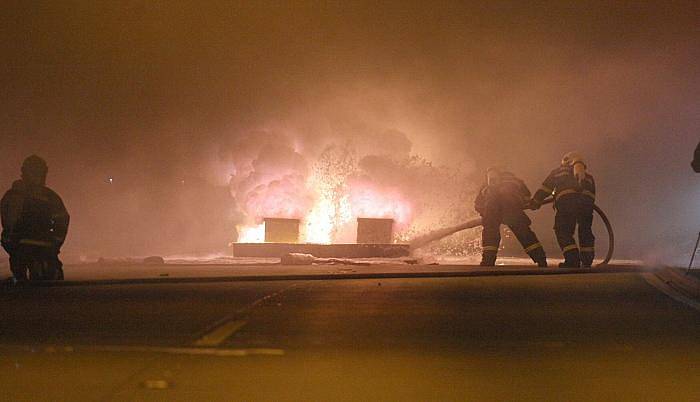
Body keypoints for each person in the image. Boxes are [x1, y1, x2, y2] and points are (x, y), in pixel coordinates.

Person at [1, 155, 69, 281]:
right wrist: (55, 242)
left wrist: (11, 244)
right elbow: (62, 221)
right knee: (49, 284)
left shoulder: (13, 195)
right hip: (41, 249)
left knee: (23, 284)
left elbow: (8, 223)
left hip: (24, 249)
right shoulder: (49, 196)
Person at [530, 152, 595, 268]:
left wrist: (535, 202)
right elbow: (592, 195)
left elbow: (545, 188)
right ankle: (587, 261)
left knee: (563, 230)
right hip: (586, 207)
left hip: (567, 204)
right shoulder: (589, 177)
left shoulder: (558, 172)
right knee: (585, 231)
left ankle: (572, 259)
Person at [474, 167, 547, 267]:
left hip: (491, 208)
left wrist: (486, 214)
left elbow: (478, 205)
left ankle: (488, 261)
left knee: (490, 233)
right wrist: (528, 204)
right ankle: (541, 260)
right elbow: (527, 197)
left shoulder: (485, 185)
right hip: (512, 207)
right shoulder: (516, 181)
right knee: (524, 233)